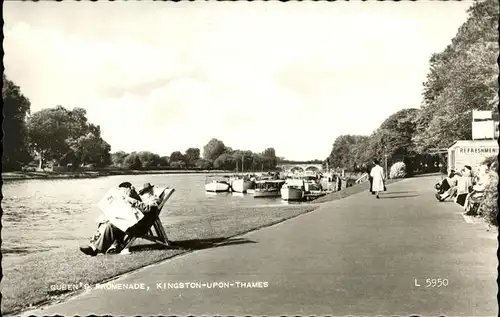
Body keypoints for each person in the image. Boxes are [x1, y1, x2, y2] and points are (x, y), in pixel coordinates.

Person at [80, 182, 141, 256]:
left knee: (110, 225)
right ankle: (93, 246)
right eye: (121, 191)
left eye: (124, 190)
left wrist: (131, 195)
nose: (123, 192)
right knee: (103, 222)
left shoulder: (134, 197)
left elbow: (137, 210)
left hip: (131, 224)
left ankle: (96, 249)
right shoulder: (125, 198)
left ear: (129, 189)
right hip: (125, 221)